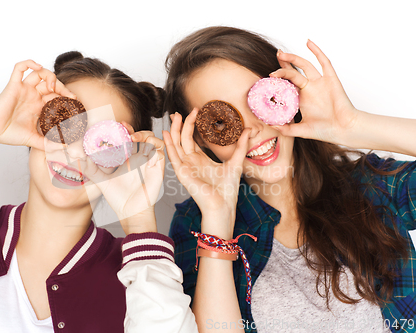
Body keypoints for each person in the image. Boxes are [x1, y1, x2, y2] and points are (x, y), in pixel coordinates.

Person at [0, 52, 197, 332]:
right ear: (35, 122)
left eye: (103, 143)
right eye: (65, 124)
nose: (77, 154)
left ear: (127, 162)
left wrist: (141, 225)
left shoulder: (138, 274)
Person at [163, 26, 416, 333]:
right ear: (201, 142)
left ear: (291, 94)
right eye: (221, 121)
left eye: (263, 99)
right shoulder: (194, 223)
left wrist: (354, 124)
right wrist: (217, 217)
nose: (252, 128)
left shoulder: (372, 186)